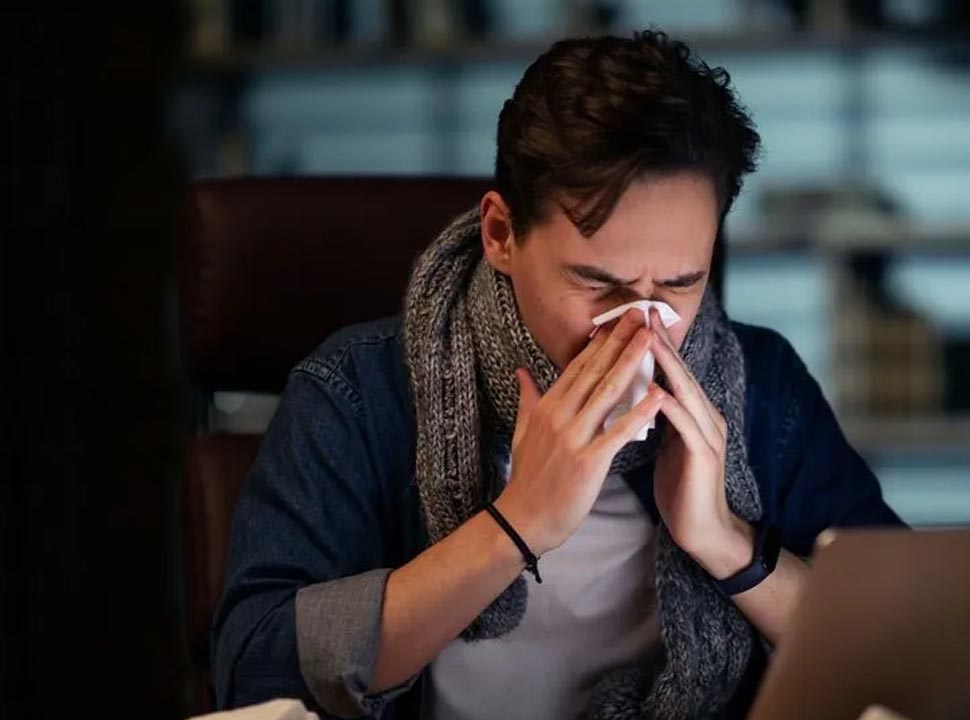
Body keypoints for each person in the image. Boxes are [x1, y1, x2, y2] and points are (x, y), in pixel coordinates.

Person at [211, 30, 902, 720]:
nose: (641, 324)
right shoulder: (357, 391)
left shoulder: (763, 389)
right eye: (596, 283)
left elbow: (904, 655)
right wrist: (516, 526)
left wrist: (727, 542)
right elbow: (255, 674)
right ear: (501, 236)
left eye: (681, 284)